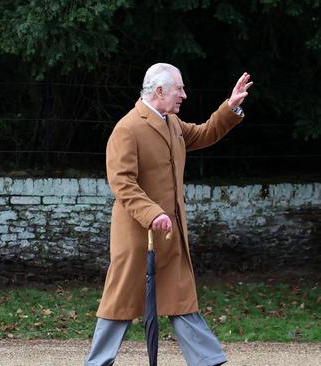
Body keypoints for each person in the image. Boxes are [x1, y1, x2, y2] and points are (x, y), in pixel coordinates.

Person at [84, 63, 253, 366]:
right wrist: (152, 213)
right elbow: (122, 182)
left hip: (169, 236)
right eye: (179, 89)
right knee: (119, 304)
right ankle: (97, 363)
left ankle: (208, 360)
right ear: (159, 91)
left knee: (181, 300)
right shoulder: (128, 127)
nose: (184, 95)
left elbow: (204, 133)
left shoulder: (171, 122)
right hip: (138, 239)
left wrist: (229, 108)